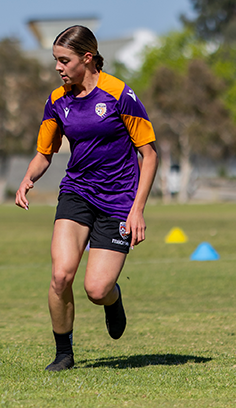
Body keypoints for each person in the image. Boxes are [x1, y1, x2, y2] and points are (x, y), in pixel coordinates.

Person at [14, 25, 158, 372]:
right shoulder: (56, 101)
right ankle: (64, 352)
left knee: (96, 289)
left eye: (64, 60)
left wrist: (137, 209)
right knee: (61, 275)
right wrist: (28, 178)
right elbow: (44, 153)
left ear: (87, 58)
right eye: (55, 61)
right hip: (77, 193)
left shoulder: (119, 94)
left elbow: (149, 155)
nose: (58, 68)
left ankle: (114, 299)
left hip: (119, 200)